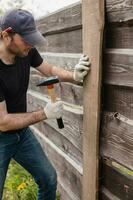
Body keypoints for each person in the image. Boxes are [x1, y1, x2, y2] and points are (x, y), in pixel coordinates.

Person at [0, 9, 90, 200]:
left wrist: (74, 76)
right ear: (6, 36)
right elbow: (3, 121)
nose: (30, 45)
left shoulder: (26, 51)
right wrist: (44, 113)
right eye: (25, 39)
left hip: (21, 134)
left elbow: (48, 69)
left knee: (48, 179)